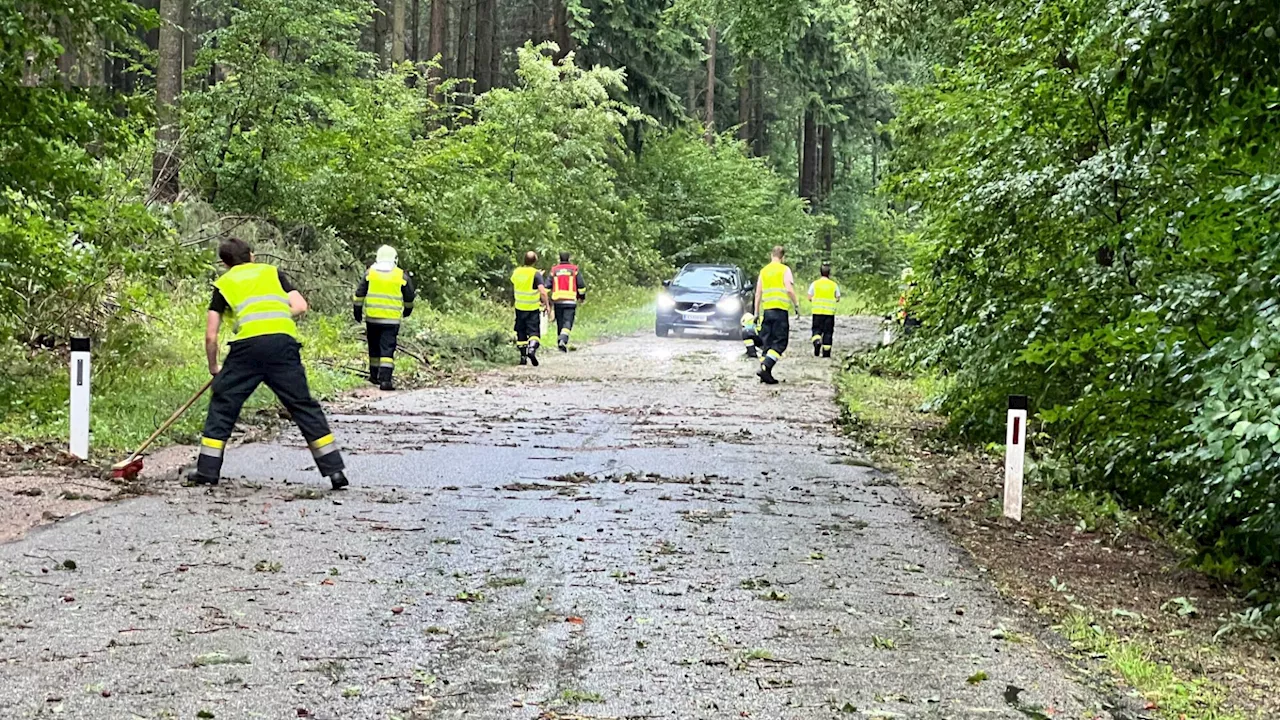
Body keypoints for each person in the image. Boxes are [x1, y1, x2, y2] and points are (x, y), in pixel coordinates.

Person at [189, 237, 348, 491]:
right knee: (302, 404)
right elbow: (300, 305)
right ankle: (335, 471)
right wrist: (275, 316)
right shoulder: (274, 273)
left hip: (246, 350)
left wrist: (214, 368)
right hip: (282, 346)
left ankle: (207, 471)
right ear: (252, 255)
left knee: (223, 403)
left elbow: (211, 335)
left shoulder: (223, 284)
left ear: (224, 263)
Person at [353, 245, 416, 391]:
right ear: (395, 258)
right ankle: (385, 380)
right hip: (391, 320)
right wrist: (407, 310)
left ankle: (374, 376)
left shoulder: (370, 273)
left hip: (373, 318)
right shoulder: (401, 275)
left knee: (374, 347)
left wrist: (357, 311)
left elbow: (359, 294)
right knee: (387, 349)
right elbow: (409, 296)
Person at [752, 246, 800, 384]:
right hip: (780, 312)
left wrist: (756, 313)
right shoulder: (785, 270)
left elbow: (758, 294)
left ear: (771, 255)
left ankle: (765, 373)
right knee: (780, 343)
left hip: (767, 311)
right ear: (783, 257)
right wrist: (796, 305)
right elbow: (789, 289)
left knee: (767, 343)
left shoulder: (764, 271)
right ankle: (766, 367)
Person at [511, 251, 549, 366]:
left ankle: (523, 358)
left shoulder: (516, 272)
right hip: (532, 308)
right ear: (535, 261)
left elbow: (518, 282)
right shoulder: (535, 274)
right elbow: (542, 291)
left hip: (519, 307)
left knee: (521, 332)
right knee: (534, 333)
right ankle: (532, 350)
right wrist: (547, 304)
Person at [548, 251, 587, 352]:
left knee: (560, 322)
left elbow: (547, 286)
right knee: (568, 322)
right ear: (569, 258)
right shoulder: (574, 269)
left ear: (559, 258)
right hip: (570, 300)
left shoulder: (554, 270)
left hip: (557, 300)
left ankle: (559, 341)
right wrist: (582, 297)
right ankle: (563, 340)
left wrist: (545, 300)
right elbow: (581, 285)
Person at [808, 263, 841, 358]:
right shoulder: (834, 285)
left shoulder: (815, 284)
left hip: (817, 312)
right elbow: (838, 298)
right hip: (829, 313)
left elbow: (809, 297)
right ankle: (826, 353)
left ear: (820, 272)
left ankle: (817, 342)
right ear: (829, 273)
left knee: (816, 330)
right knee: (828, 333)